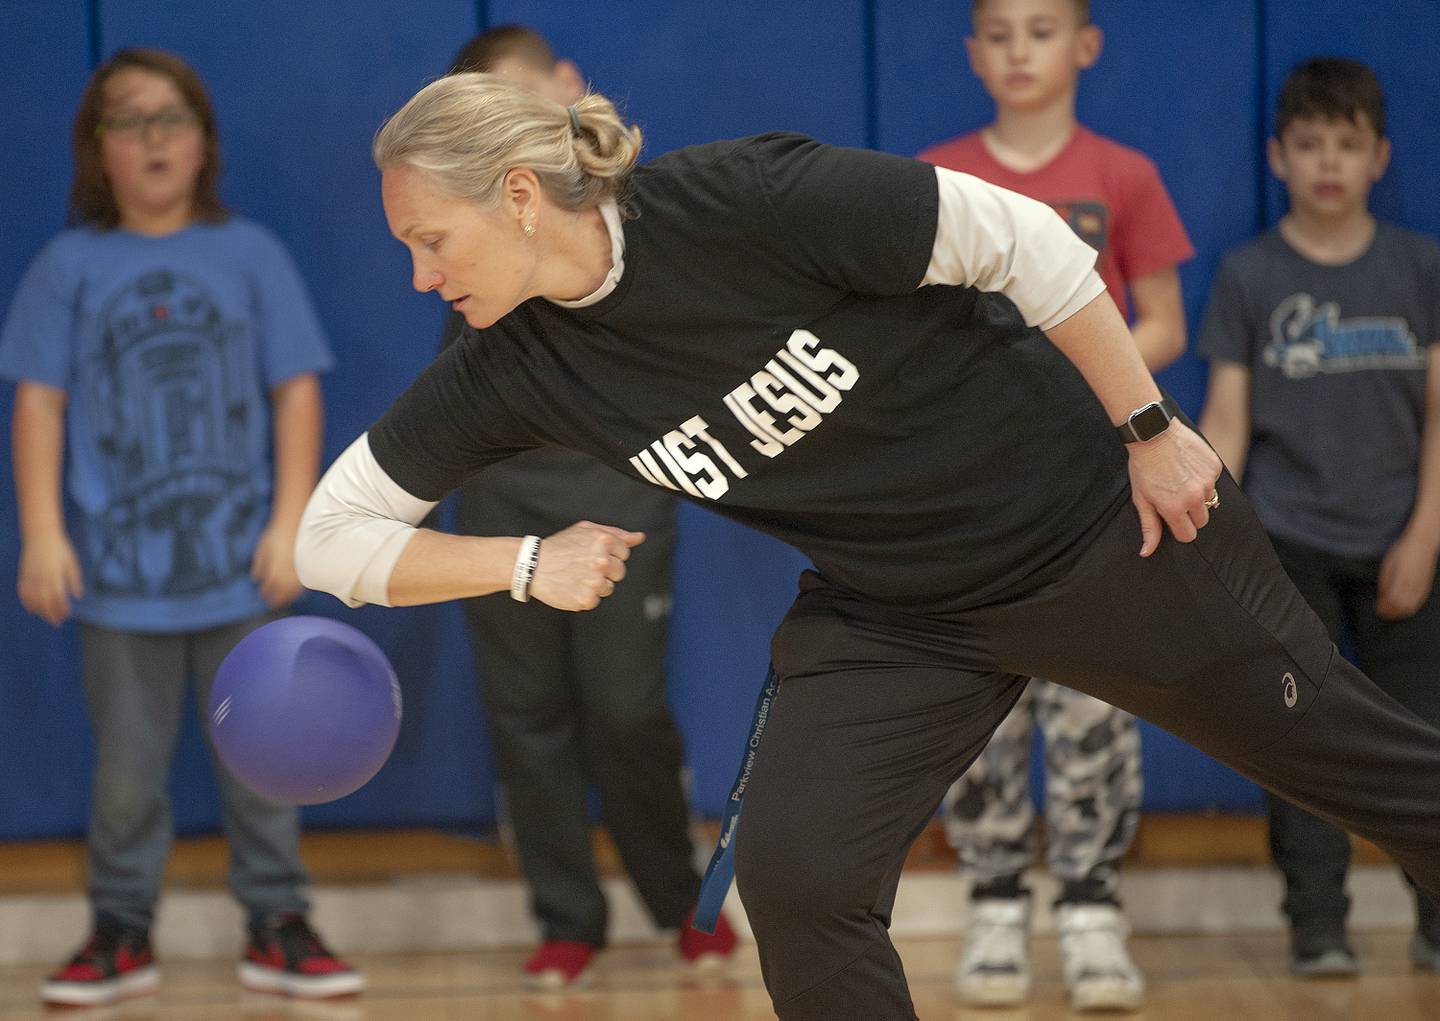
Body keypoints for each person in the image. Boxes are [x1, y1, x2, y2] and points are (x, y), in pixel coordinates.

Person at [295, 72, 1440, 1021]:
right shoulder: (510, 366)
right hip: (898, 609)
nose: (420, 274)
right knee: (796, 879)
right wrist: (524, 564)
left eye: (431, 238)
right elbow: (329, 541)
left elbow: (1020, 236)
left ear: (520, 194)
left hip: (1096, 523)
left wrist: (1148, 427)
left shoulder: (737, 199)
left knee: (1387, 785)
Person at [0, 48, 362, 1007]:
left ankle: (277, 921)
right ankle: (120, 928)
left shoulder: (252, 255)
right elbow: (38, 405)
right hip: (120, 582)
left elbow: (295, 394)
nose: (154, 138)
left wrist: (292, 522)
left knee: (266, 760)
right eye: (130, 119)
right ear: (97, 148)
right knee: (125, 774)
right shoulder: (68, 264)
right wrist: (42, 529)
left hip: (247, 571)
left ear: (205, 140)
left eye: (173, 117)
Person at [439, 26, 735, 989]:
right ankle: (567, 916)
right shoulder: (464, 225)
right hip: (499, 504)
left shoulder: (624, 212)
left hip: (618, 492)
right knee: (525, 715)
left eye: (520, 101)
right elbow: (454, 388)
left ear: (569, 88)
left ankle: (680, 902)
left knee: (627, 710)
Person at [917, 0, 1192, 1010]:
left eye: (1042, 29)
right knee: (981, 699)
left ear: (1085, 46)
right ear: (973, 53)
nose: (1019, 49)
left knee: (1095, 703)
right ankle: (992, 899)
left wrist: (1076, 353)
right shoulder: (936, 173)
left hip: (1090, 489)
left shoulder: (1123, 175)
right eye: (999, 31)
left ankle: (1089, 903)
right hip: (973, 495)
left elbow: (1161, 319)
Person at [1197, 56, 1440, 979]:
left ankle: (1435, 922)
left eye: (1348, 144)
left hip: (1405, 540)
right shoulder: (1250, 275)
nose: (1328, 162)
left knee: (1422, 742)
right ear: (1277, 157)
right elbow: (1225, 420)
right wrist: (1215, 534)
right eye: (1309, 144)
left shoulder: (1421, 268)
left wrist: (1424, 534)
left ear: (1380, 157)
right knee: (1300, 743)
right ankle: (1317, 924)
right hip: (1286, 542)